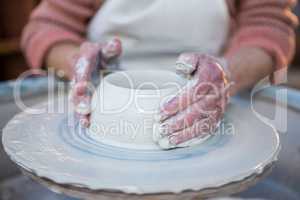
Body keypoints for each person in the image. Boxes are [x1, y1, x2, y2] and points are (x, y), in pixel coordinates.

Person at [21, 0, 298, 147]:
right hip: (107, 89)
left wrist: (226, 76)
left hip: (208, 93)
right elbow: (45, 27)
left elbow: (269, 26)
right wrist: (78, 62)